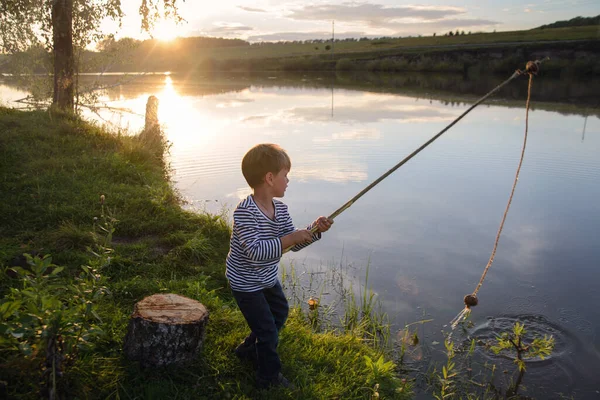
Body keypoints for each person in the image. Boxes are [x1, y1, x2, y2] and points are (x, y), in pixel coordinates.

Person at [226, 143, 333, 389]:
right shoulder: (245, 212)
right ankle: (268, 377)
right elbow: (255, 253)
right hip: (245, 282)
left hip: (266, 278)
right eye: (285, 175)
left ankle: (248, 350)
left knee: (279, 314)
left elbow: (291, 244)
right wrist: (291, 238)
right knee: (268, 331)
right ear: (270, 177)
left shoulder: (281, 210)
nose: (288, 181)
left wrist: (313, 231)